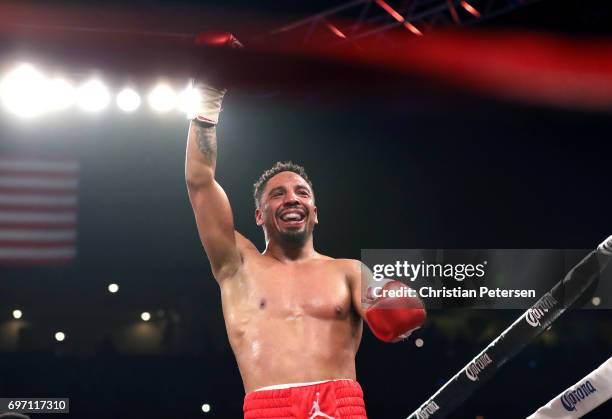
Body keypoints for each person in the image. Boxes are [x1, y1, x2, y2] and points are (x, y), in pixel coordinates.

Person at [185, 33, 426, 419]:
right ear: (260, 215)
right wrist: (209, 100)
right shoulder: (237, 265)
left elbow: (401, 319)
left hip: (341, 406)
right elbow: (200, 183)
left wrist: (405, 314)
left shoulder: (348, 272)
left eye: (301, 192)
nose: (292, 198)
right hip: (269, 406)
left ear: (315, 211)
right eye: (277, 194)